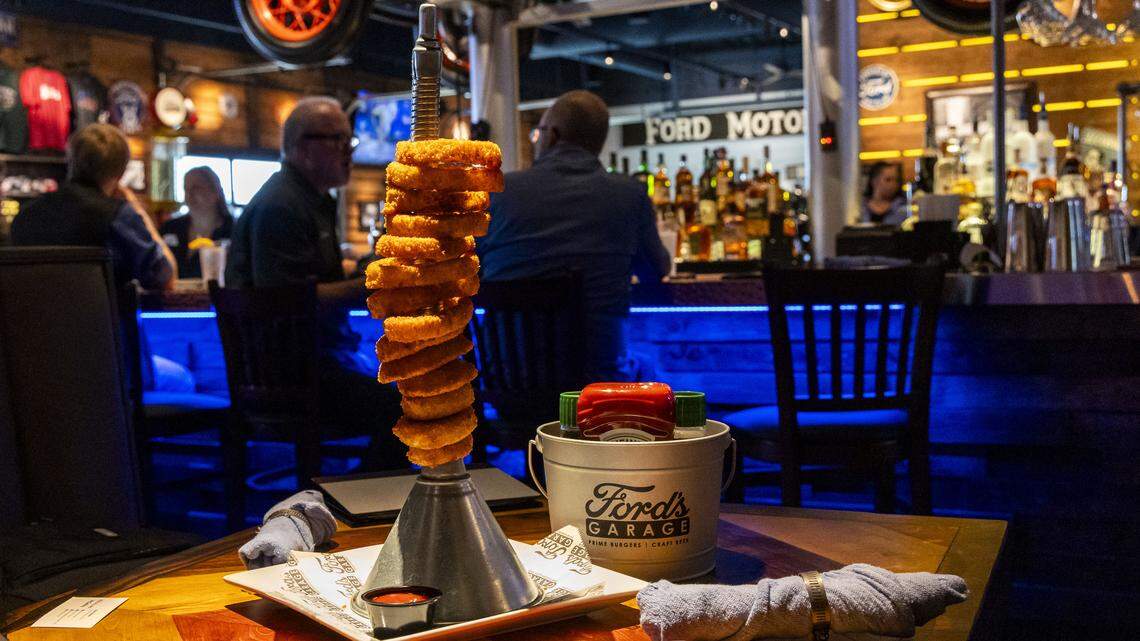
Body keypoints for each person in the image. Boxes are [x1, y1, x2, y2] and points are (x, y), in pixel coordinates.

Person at [225, 96, 404, 470]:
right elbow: (290, 300)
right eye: (338, 140)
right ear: (302, 148)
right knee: (407, 404)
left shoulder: (304, 200)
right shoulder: (282, 206)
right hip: (291, 376)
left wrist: (364, 270)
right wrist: (373, 279)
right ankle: (353, 503)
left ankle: (357, 498)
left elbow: (305, 285)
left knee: (410, 389)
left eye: (348, 140)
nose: (348, 151)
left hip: (307, 366)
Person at [477, 90, 671, 381]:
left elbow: (468, 273)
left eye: (538, 132)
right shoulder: (630, 195)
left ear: (552, 135)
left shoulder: (497, 194)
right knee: (650, 367)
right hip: (598, 393)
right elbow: (656, 271)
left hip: (508, 388)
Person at [10, 123, 176, 290]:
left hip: (34, 316)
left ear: (71, 161)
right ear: (121, 172)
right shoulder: (118, 216)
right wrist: (138, 210)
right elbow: (165, 279)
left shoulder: (25, 215)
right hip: (102, 316)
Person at [160, 166, 234, 279]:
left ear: (215, 192)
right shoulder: (171, 227)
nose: (189, 195)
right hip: (173, 295)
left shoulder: (232, 230)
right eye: (186, 189)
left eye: (196, 188)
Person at [860, 161, 908, 226]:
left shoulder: (903, 208)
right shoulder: (860, 208)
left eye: (896, 180)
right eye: (888, 180)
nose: (893, 184)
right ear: (874, 181)